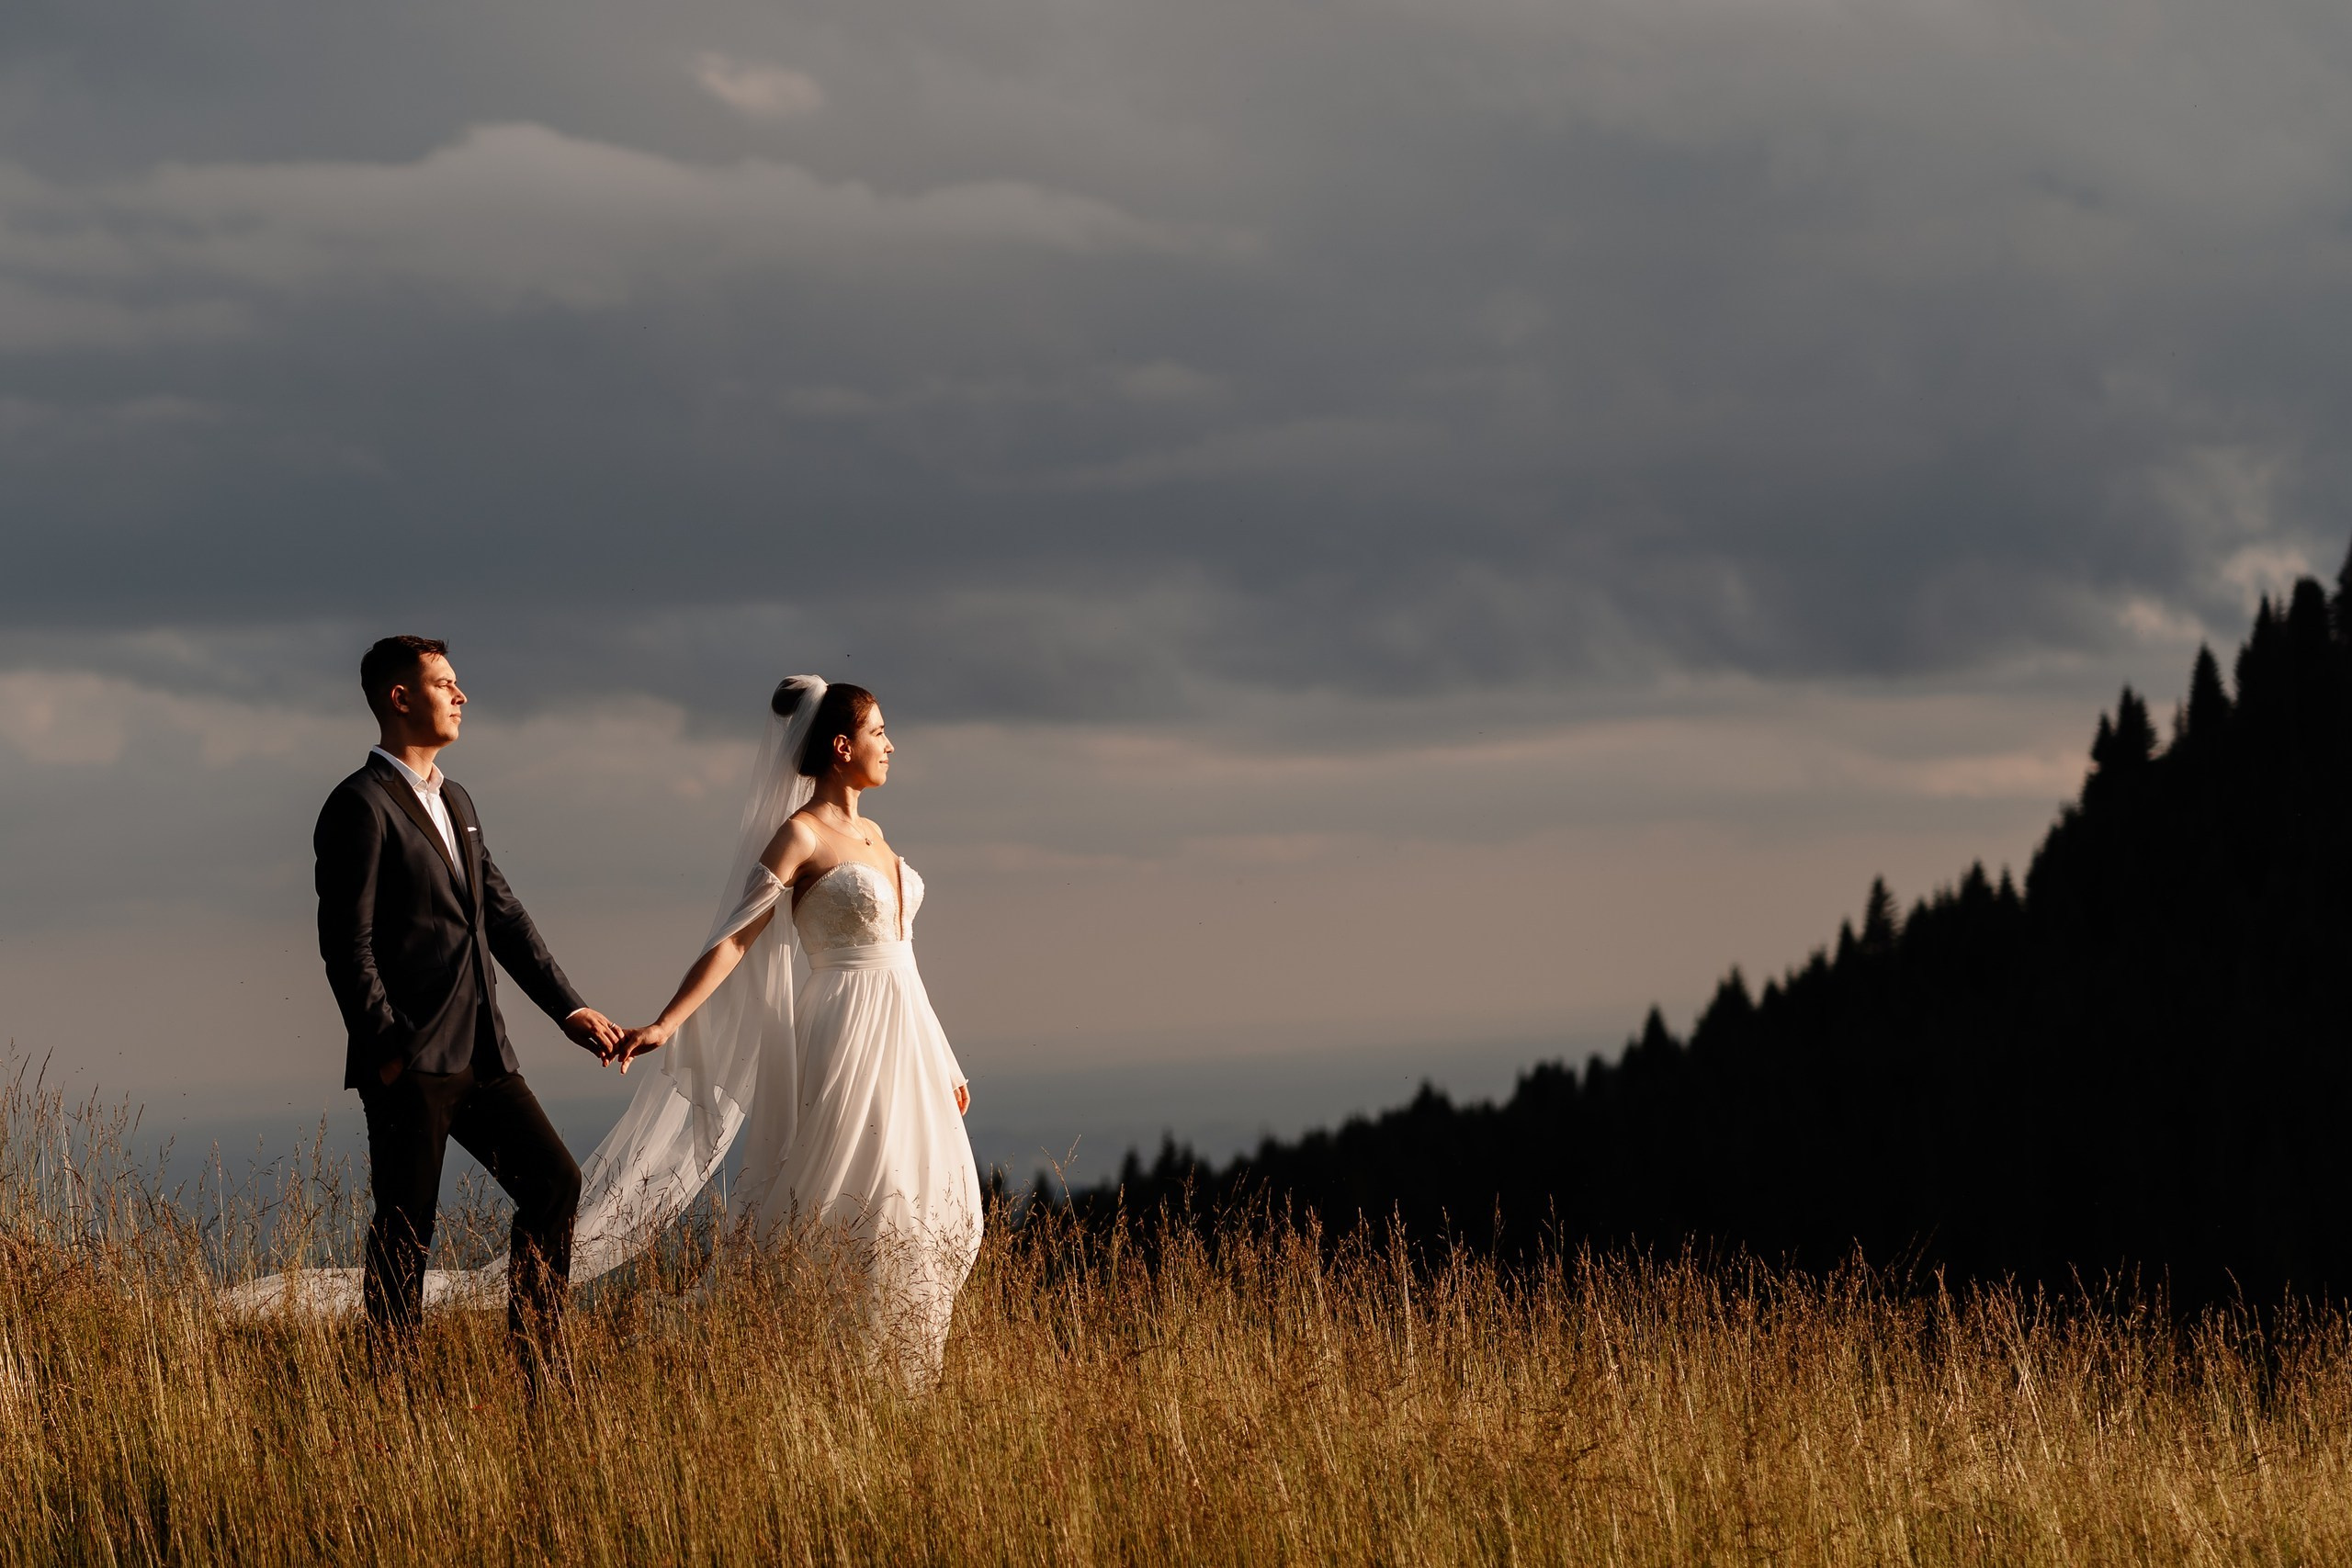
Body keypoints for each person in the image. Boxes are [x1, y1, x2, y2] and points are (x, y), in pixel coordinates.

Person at [605, 677, 983, 1377]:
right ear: (841, 746)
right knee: (847, 1196)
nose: (890, 745)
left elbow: (902, 957)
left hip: (907, 1037)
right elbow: (735, 937)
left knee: (928, 1197)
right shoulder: (801, 834)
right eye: (878, 732)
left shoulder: (875, 834)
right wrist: (667, 1020)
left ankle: (894, 1373)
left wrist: (943, 1057)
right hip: (845, 1032)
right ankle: (813, 1363)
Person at [312, 634, 624, 1372]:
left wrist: (569, 1009)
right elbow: (346, 945)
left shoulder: (458, 800)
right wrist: (390, 1049)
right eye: (444, 683)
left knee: (555, 1182)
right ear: (400, 698)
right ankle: (391, 1393)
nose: (461, 695)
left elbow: (503, 916)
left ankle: (538, 1364)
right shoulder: (358, 804)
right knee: (405, 1231)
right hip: (412, 1061)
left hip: (486, 1055)